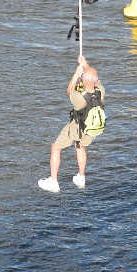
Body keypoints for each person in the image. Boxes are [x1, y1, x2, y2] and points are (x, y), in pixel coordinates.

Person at [38, 55, 105, 192]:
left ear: (83, 79)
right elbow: (94, 79)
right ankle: (81, 177)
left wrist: (76, 75)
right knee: (79, 146)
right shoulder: (101, 92)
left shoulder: (79, 97)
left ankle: (53, 182)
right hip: (90, 129)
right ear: (96, 80)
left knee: (55, 147)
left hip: (76, 127)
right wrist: (85, 64)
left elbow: (69, 91)